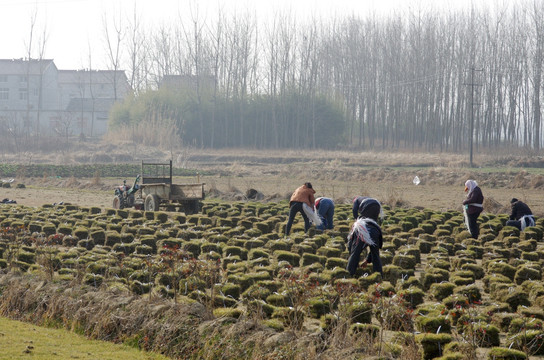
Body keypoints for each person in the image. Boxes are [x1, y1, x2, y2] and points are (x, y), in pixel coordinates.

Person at [346, 197, 383, 277]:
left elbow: (351, 246)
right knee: (376, 256)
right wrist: (367, 260)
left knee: (355, 254)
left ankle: (349, 276)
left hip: (362, 231)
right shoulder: (376, 226)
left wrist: (351, 255)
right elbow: (374, 250)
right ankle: (379, 277)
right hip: (374, 231)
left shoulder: (358, 226)